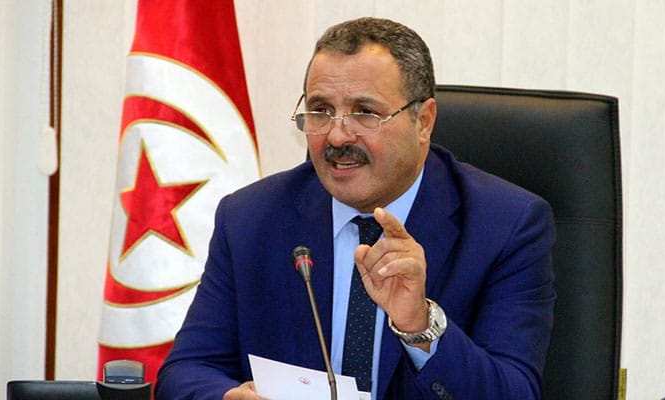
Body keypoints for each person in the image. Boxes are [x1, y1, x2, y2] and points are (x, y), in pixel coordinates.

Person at [155, 17, 556, 400]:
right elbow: (186, 372)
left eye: (365, 112)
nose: (337, 135)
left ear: (423, 122)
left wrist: (420, 325)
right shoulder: (250, 219)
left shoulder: (505, 226)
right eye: (321, 110)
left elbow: (515, 393)